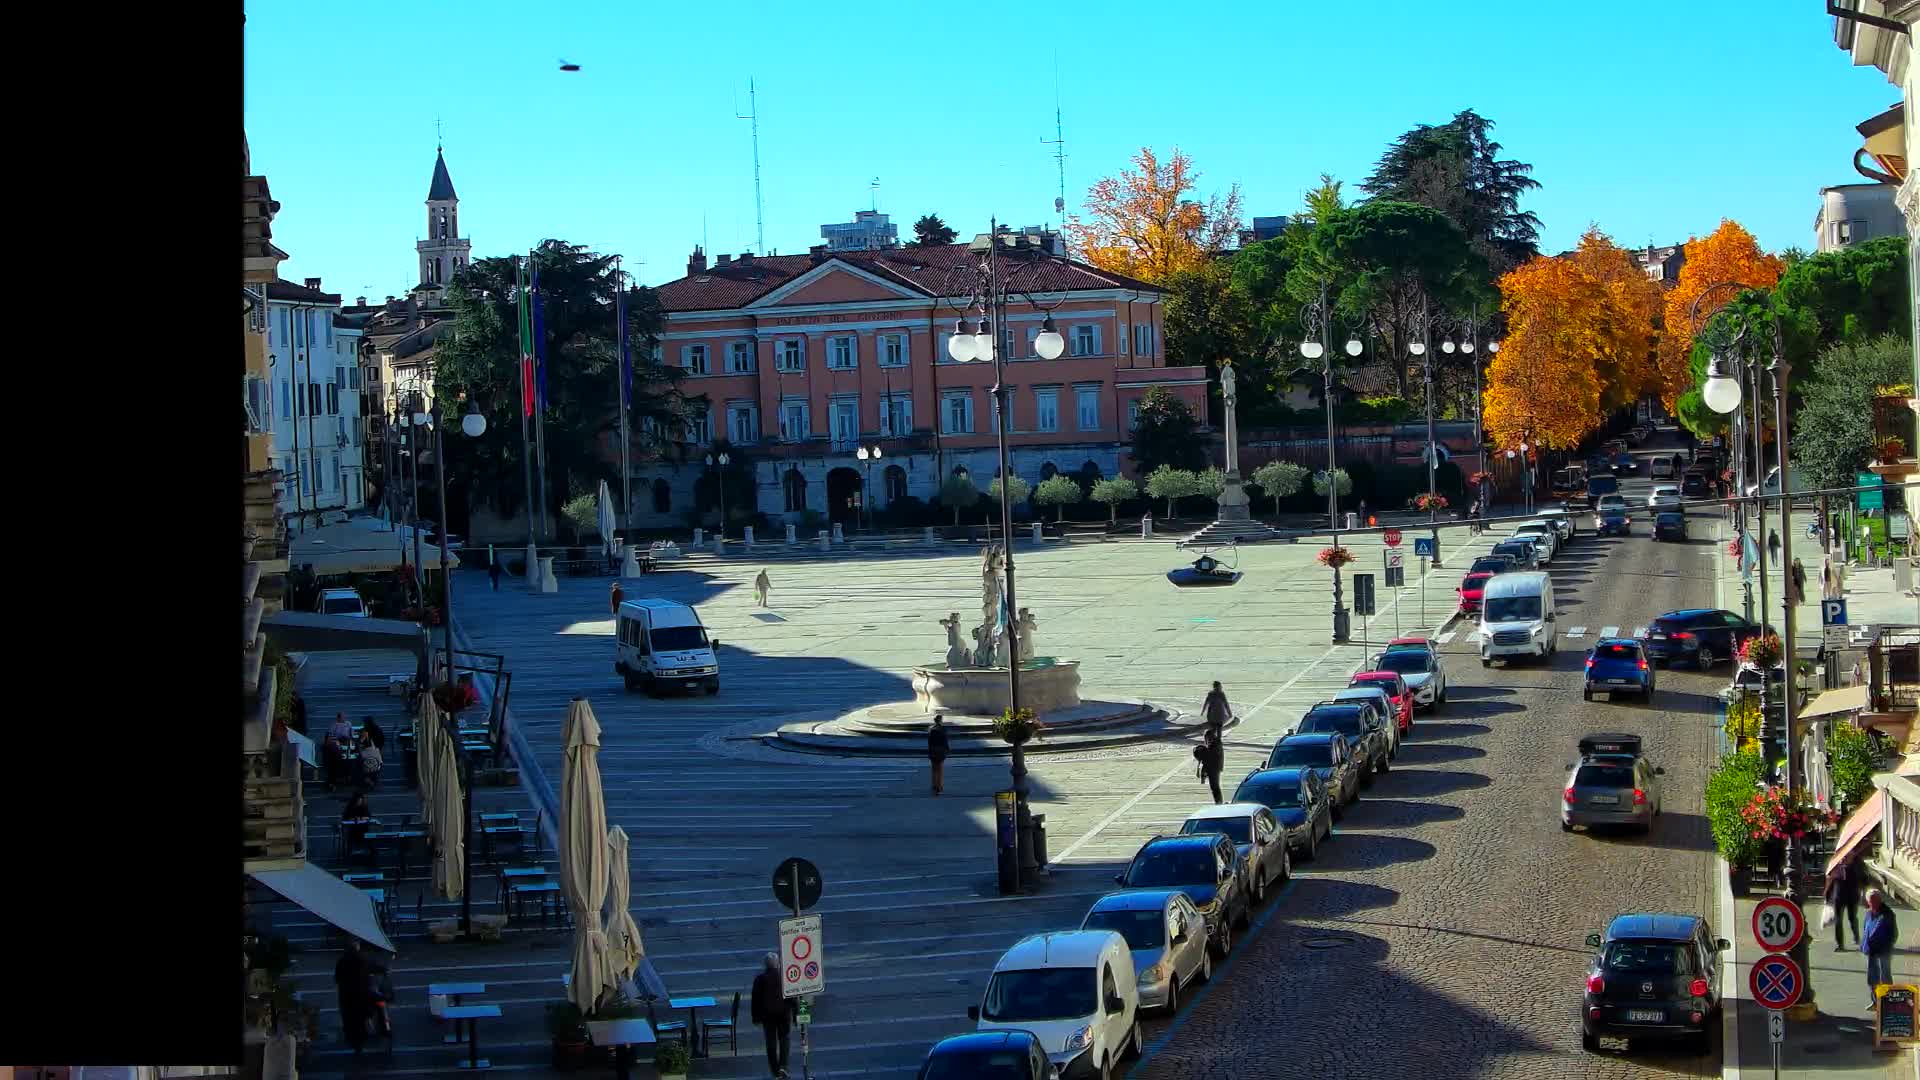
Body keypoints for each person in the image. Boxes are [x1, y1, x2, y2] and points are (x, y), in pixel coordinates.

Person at [751, 951, 796, 1079]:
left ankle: (775, 1070)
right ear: (778, 964)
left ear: (766, 965)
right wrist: (796, 1013)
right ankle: (783, 1067)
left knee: (770, 1042)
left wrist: (755, 1017)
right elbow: (792, 995)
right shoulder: (785, 977)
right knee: (784, 1039)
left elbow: (755, 1000)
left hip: (767, 1016)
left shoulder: (759, 979)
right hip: (784, 1014)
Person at [1864, 889, 1900, 1010]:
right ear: (1868, 902)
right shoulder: (1868, 913)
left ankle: (1887, 1002)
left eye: (1875, 900)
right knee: (1872, 978)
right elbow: (1866, 930)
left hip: (1883, 950)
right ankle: (1875, 1002)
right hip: (1871, 950)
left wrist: (1888, 945)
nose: (1873, 903)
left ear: (1880, 900)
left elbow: (1894, 933)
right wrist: (1864, 946)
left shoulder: (1888, 914)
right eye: (1870, 901)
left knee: (1885, 977)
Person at [334, 939, 370, 1054]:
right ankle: (360, 1040)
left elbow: (337, 978)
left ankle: (353, 1039)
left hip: (346, 995)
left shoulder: (342, 960)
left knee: (349, 1018)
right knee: (360, 1018)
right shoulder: (362, 959)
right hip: (360, 994)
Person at [1826, 851, 1863, 951]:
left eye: (1847, 856)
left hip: (1852, 896)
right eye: (1843, 857)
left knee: (1852, 917)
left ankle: (1856, 936)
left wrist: (1862, 892)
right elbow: (1831, 880)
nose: (1844, 858)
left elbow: (1863, 879)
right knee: (1838, 920)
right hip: (1839, 896)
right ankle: (1840, 944)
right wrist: (1827, 895)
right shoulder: (1837, 866)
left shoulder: (1857, 864)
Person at [1194, 726, 1225, 804]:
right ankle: (1218, 802)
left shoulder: (1215, 744)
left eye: (1206, 738)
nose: (1206, 740)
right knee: (1215, 787)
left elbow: (1209, 757)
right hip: (1215, 767)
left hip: (1214, 768)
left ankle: (1219, 802)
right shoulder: (1216, 743)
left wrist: (1202, 751)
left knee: (1215, 787)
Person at [927, 714, 949, 796]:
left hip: (933, 750)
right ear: (940, 720)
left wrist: (929, 751)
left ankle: (934, 785)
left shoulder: (930, 729)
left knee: (934, 769)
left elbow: (929, 742)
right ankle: (939, 786)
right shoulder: (943, 729)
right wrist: (947, 750)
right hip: (940, 751)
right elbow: (945, 741)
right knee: (940, 770)